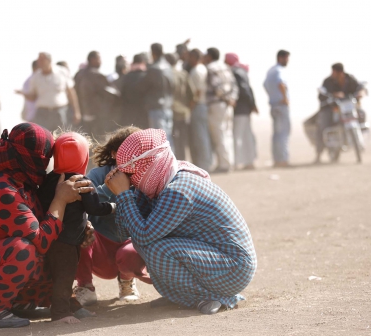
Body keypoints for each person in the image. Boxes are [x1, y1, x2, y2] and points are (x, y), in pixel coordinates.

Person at [0, 123, 94, 328]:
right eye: (46, 157)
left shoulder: (24, 183)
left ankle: (20, 303)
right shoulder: (3, 190)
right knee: (24, 249)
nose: (47, 164)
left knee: (63, 244)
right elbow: (40, 240)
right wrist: (61, 200)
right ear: (34, 157)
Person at [105, 129, 257, 315]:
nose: (129, 177)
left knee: (156, 248)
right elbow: (124, 231)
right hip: (214, 259)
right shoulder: (158, 182)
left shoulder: (178, 189)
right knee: (147, 245)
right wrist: (125, 195)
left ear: (148, 164)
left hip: (233, 268)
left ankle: (218, 297)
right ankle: (181, 296)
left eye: (130, 171)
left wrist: (123, 194)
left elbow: (143, 235)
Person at [37, 132, 113, 323]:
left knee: (56, 274)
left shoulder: (47, 180)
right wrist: (112, 207)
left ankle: (71, 306)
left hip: (49, 236)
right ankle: (61, 313)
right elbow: (94, 208)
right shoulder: (82, 182)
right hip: (67, 242)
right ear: (84, 157)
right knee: (65, 276)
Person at [74, 126, 152, 305]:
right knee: (79, 229)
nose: (134, 157)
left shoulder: (146, 177)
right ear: (115, 153)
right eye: (128, 152)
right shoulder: (97, 175)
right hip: (99, 246)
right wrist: (108, 187)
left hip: (130, 246)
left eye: (138, 152)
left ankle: (126, 281)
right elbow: (81, 204)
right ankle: (85, 286)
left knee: (131, 250)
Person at [19, 52, 81, 132]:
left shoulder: (62, 72)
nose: (39, 62)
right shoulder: (35, 77)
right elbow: (33, 97)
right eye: (39, 60)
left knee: (62, 136)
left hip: (61, 111)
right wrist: (24, 94)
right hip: (43, 113)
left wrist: (76, 112)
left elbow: (71, 93)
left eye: (42, 60)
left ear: (48, 60)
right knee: (44, 138)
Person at [315, 63, 364, 163]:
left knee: (362, 114)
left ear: (340, 72)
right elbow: (321, 95)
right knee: (323, 125)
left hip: (348, 107)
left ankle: (361, 137)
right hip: (332, 108)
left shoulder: (350, 79)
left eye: (334, 72)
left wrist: (360, 93)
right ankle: (318, 154)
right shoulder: (328, 81)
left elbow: (360, 88)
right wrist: (334, 95)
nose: (332, 74)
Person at [204, 48, 239, 173]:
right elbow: (234, 85)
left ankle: (224, 165)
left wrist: (226, 98)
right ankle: (229, 162)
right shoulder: (225, 67)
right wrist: (232, 99)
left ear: (209, 56)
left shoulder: (211, 68)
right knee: (227, 133)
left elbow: (216, 86)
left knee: (219, 135)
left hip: (217, 105)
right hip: (228, 105)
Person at [137, 43, 174, 146]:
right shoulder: (169, 67)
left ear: (152, 53)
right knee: (168, 138)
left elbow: (142, 87)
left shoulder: (153, 69)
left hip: (156, 108)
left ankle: (164, 162)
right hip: (168, 107)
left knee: (159, 141)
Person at [225, 53, 258, 170]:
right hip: (246, 109)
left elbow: (244, 90)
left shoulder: (235, 72)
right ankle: (250, 161)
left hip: (239, 109)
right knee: (246, 135)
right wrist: (252, 105)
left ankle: (237, 162)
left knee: (237, 135)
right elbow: (249, 89)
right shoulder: (242, 71)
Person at [74, 51, 113, 139]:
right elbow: (109, 94)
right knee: (99, 140)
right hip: (97, 114)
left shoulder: (79, 74)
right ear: (92, 60)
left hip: (83, 114)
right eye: (99, 59)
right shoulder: (97, 75)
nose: (100, 62)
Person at [264, 50, 291, 167]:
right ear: (281, 58)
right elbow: (281, 83)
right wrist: (284, 98)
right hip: (281, 106)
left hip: (274, 105)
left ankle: (277, 159)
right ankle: (283, 160)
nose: (287, 61)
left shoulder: (271, 70)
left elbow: (265, 85)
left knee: (276, 134)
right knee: (283, 133)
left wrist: (272, 96)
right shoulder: (280, 70)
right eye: (286, 58)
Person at [187, 49, 212, 171]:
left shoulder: (196, 71)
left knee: (200, 136)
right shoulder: (203, 69)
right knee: (204, 135)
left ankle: (204, 164)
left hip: (198, 106)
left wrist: (191, 106)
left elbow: (197, 91)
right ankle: (206, 162)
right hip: (204, 105)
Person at [165, 53, 192, 161]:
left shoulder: (166, 74)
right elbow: (192, 94)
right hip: (184, 112)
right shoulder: (184, 74)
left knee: (172, 139)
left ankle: (174, 163)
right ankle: (183, 161)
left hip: (171, 111)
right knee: (183, 140)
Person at [120, 54, 149, 129]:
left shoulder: (126, 77)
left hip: (128, 111)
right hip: (143, 111)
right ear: (143, 62)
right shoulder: (146, 76)